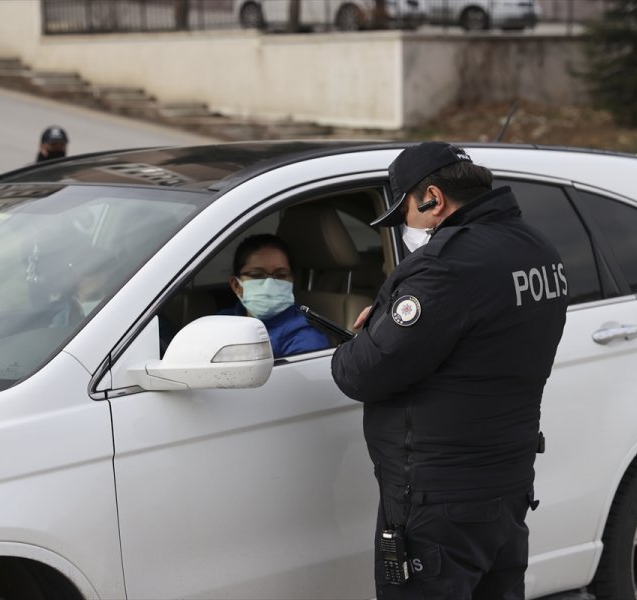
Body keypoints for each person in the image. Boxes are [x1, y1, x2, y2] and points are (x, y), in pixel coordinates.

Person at [331, 142, 568, 599]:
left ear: (433, 199)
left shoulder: (444, 268)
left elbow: (361, 374)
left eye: (405, 217)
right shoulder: (538, 248)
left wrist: (361, 338)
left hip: (439, 504)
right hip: (507, 486)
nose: (407, 230)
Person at [222, 233, 329, 358]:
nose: (269, 285)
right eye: (257, 274)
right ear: (236, 285)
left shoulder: (306, 338)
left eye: (281, 275)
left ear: (292, 281)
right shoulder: (222, 322)